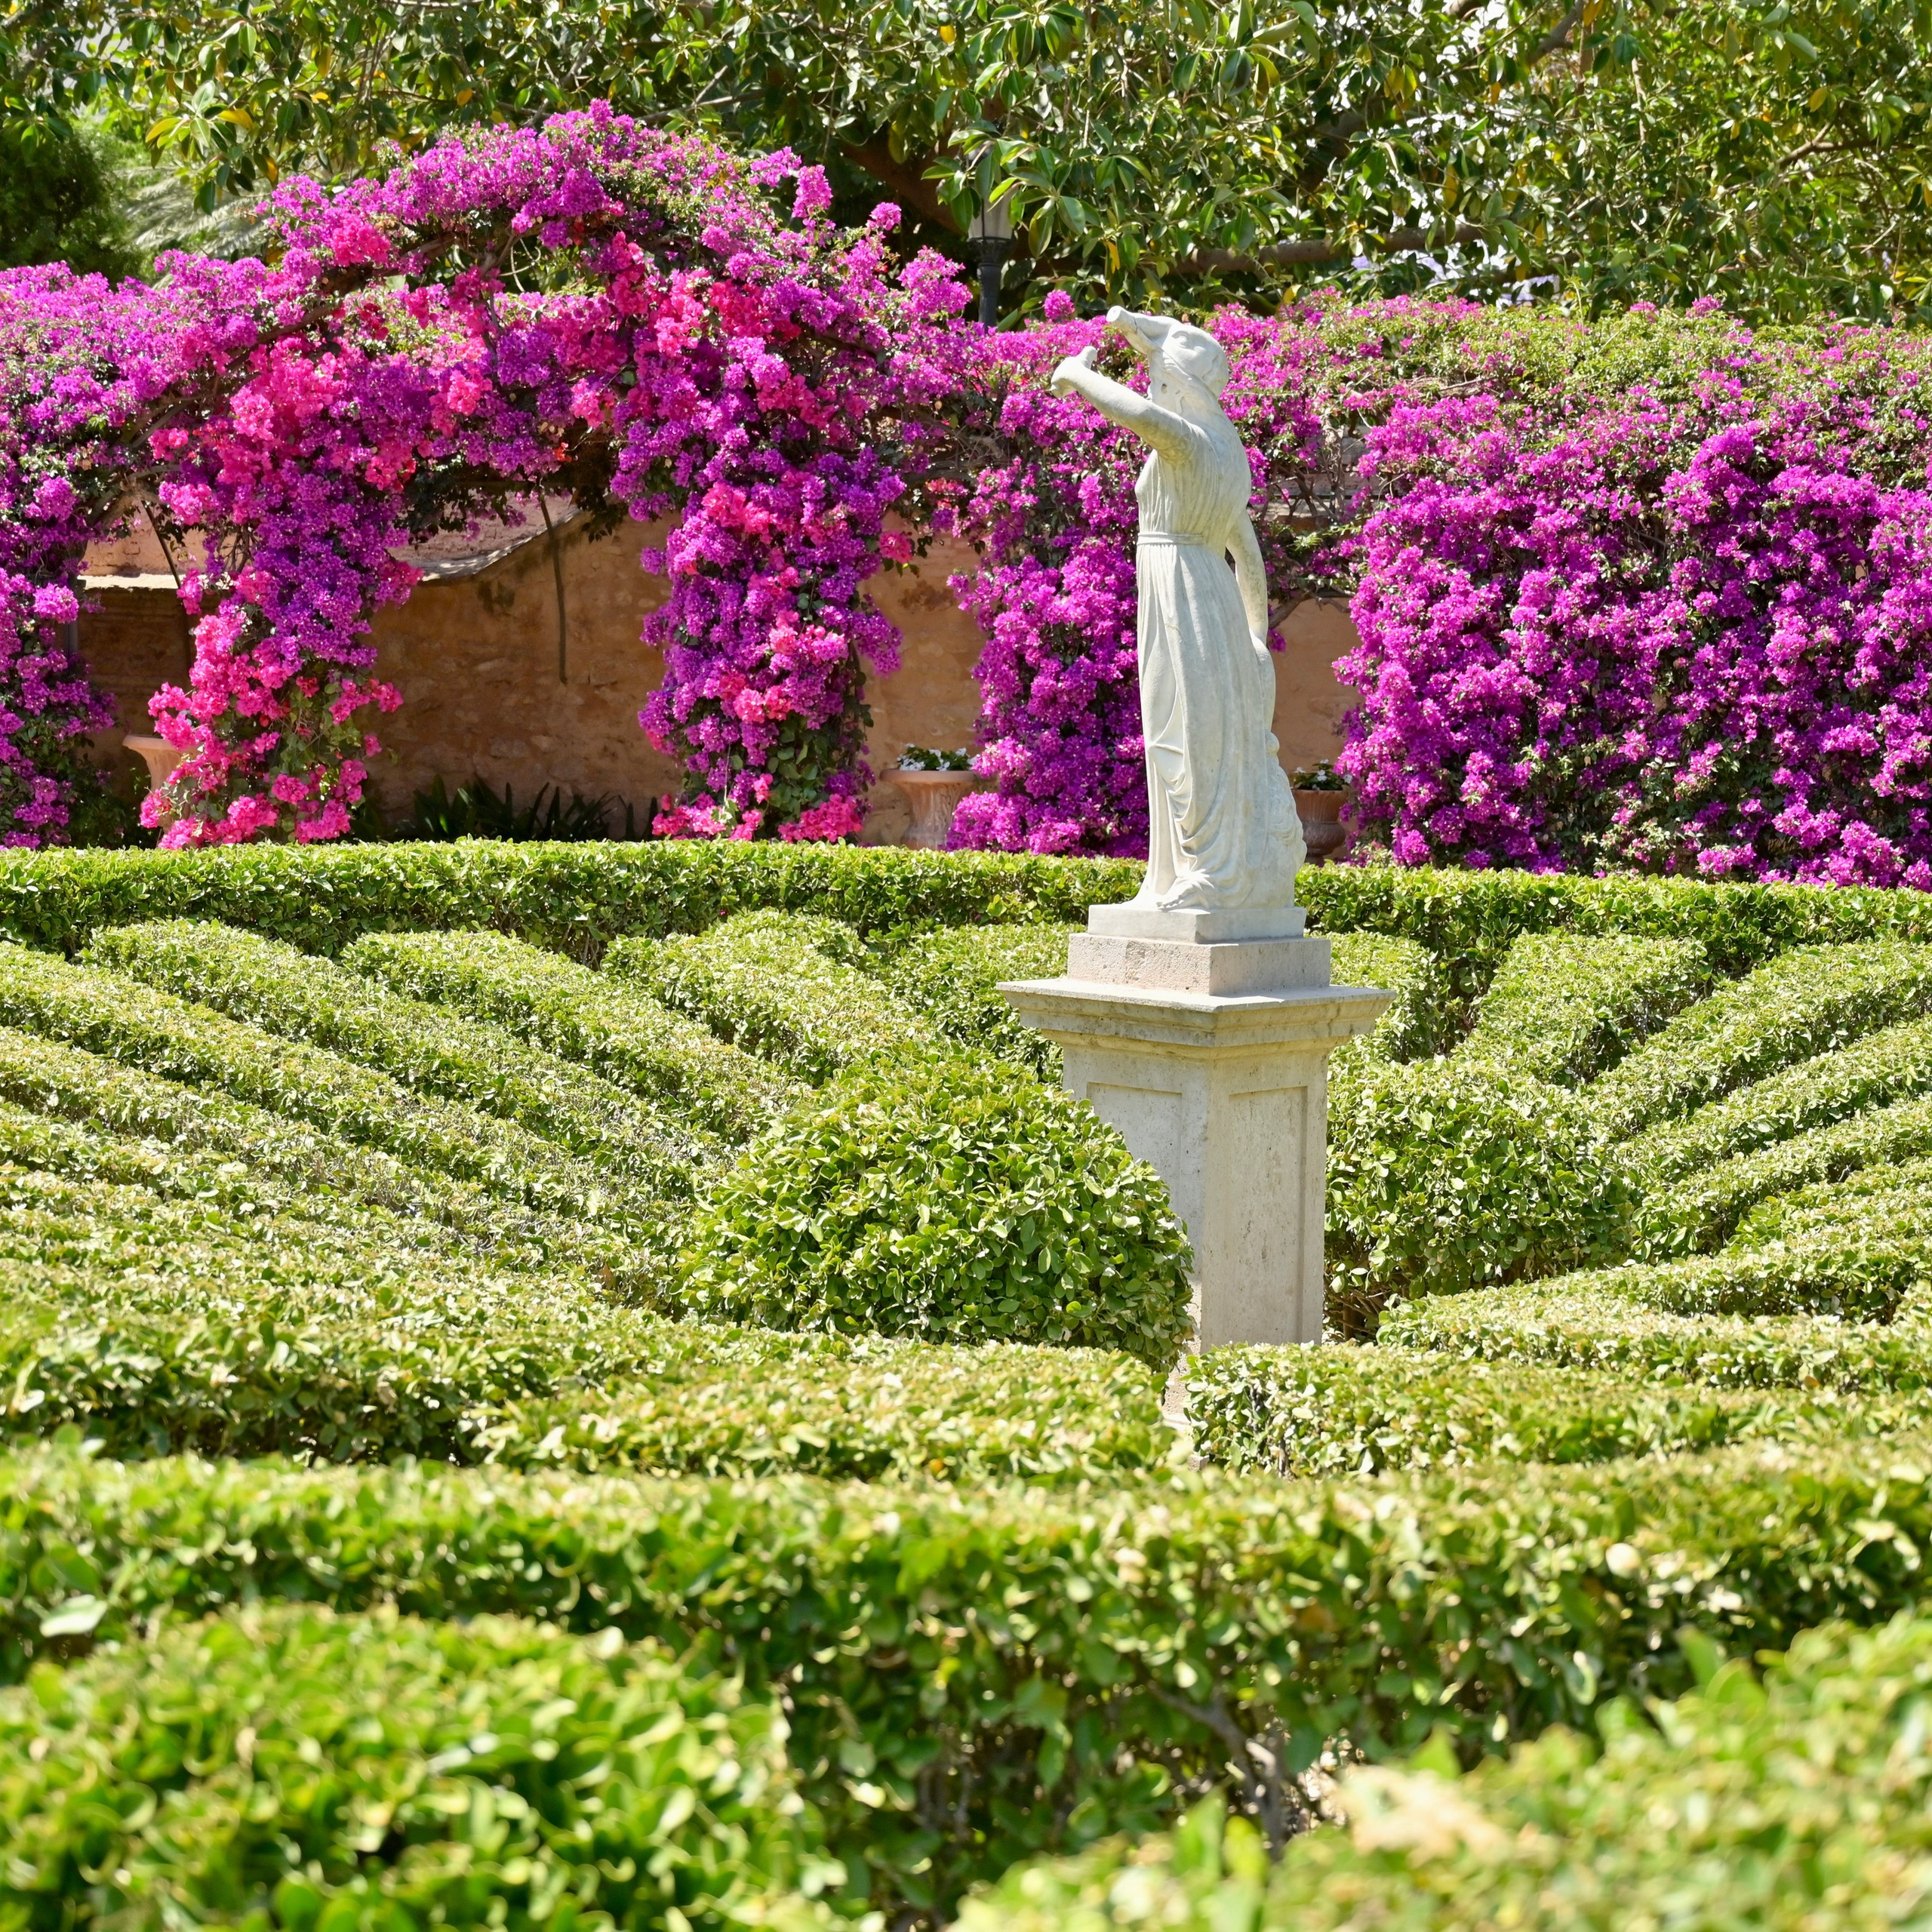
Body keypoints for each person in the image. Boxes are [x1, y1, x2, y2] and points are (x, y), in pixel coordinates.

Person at [1051, 308, 1303, 912]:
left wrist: (1077, 374)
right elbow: (1245, 553)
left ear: (1180, 388)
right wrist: (1256, 637)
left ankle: (1210, 875)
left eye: (1161, 381)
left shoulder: (1189, 442)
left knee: (1186, 733)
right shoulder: (1228, 450)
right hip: (1203, 592)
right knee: (1188, 729)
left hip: (1182, 593)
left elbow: (1138, 416)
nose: (1154, 391)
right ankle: (1171, 876)